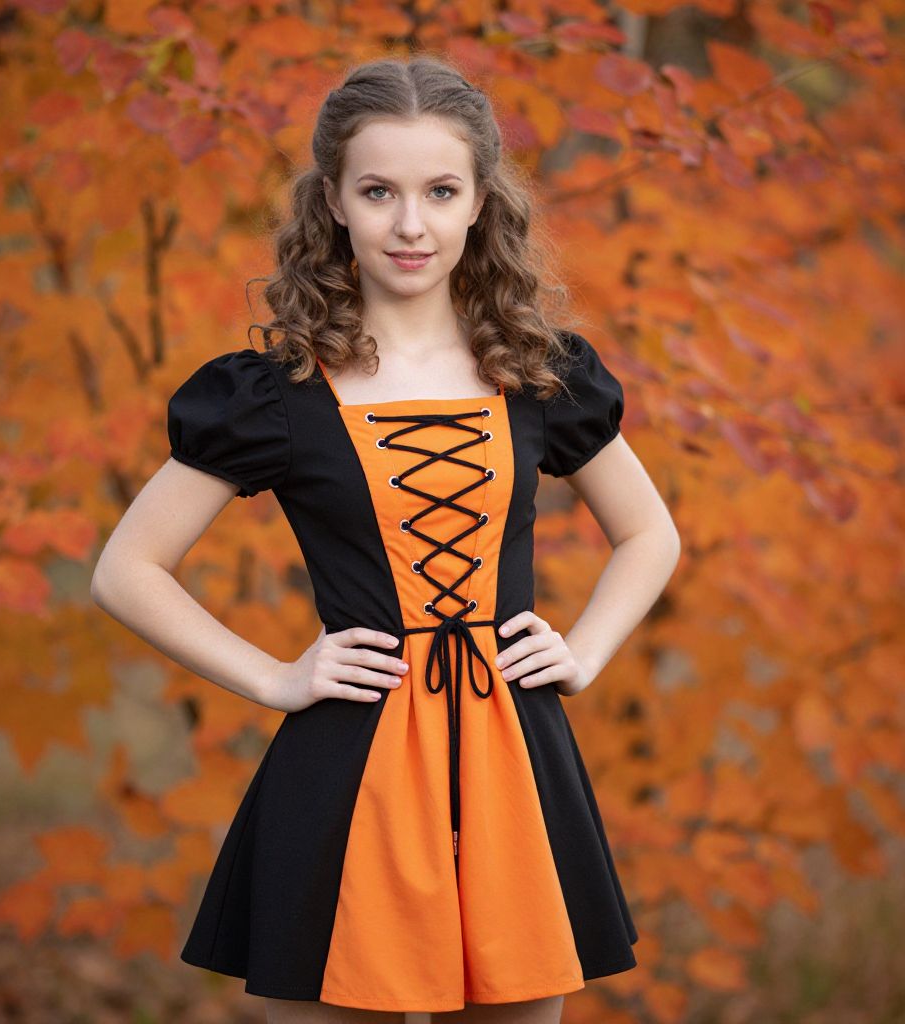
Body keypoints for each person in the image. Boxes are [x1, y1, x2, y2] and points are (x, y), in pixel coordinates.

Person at [91, 55, 680, 1024]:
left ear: (480, 202)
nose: (410, 224)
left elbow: (648, 533)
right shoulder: (274, 392)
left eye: (439, 191)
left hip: (511, 770)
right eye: (378, 191)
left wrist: (583, 648)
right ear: (333, 200)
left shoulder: (537, 371)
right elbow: (126, 568)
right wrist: (275, 676)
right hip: (346, 765)